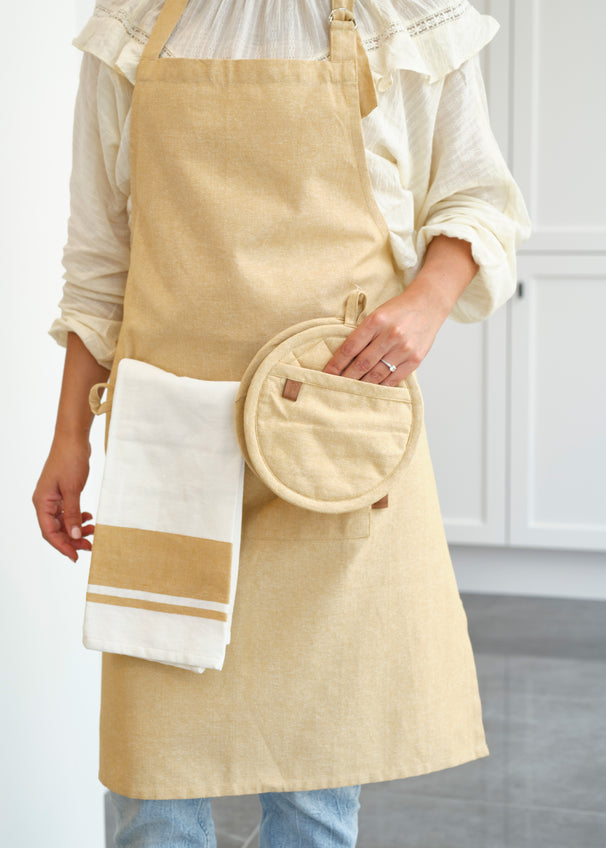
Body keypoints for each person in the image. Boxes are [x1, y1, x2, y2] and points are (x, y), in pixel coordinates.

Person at [32, 1, 531, 845]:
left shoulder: (399, 18)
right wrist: (68, 437)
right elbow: (100, 258)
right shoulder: (133, 24)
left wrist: (426, 303)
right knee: (155, 800)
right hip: (172, 445)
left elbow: (477, 197)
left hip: (329, 436)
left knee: (313, 795)